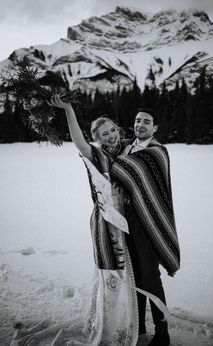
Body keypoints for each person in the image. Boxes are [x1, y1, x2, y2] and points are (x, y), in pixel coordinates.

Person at [11, 95, 139, 346]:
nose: (111, 135)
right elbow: (79, 144)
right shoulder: (97, 156)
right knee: (113, 272)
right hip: (108, 222)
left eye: (112, 129)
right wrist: (68, 109)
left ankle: (129, 323)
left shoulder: (127, 151)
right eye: (104, 134)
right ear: (97, 139)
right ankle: (112, 328)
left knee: (130, 276)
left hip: (130, 221)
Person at [110, 108, 181, 346]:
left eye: (147, 122)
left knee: (150, 277)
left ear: (155, 128)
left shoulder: (157, 152)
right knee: (134, 276)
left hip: (148, 224)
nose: (141, 124)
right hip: (125, 220)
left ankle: (162, 334)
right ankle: (138, 327)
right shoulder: (125, 147)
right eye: (138, 120)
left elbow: (116, 167)